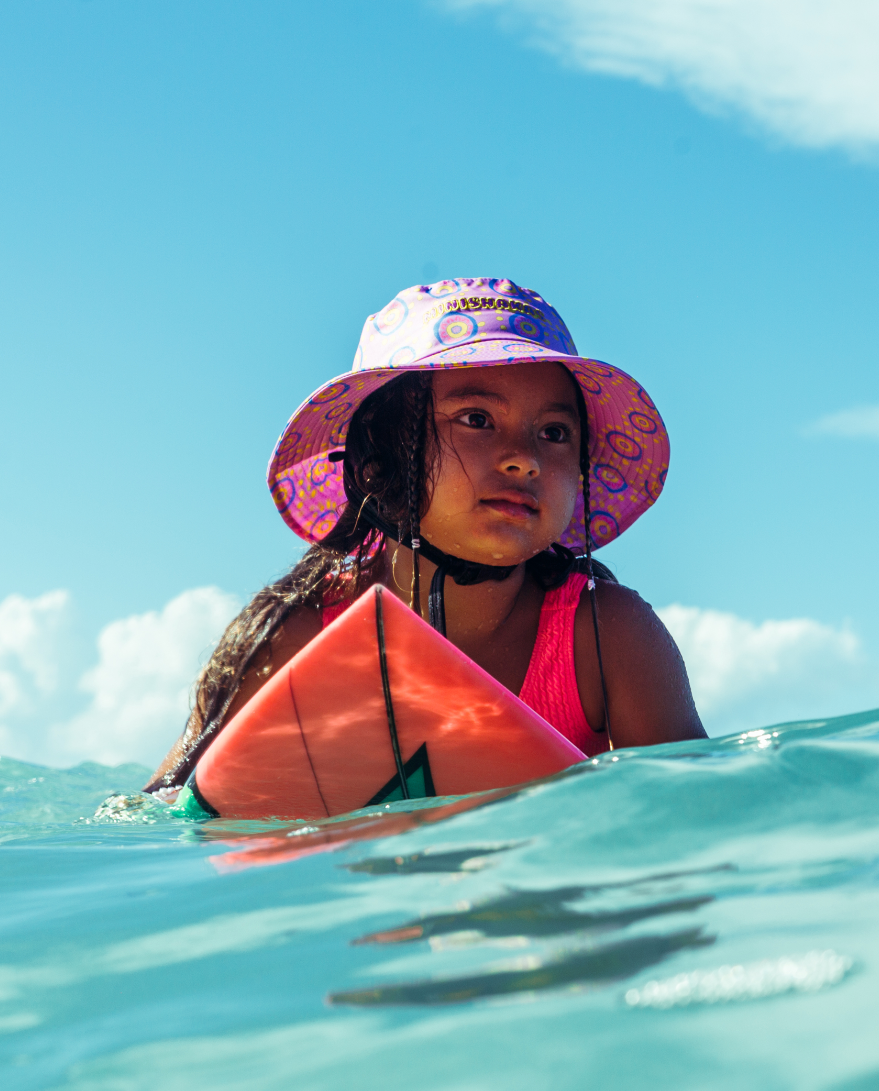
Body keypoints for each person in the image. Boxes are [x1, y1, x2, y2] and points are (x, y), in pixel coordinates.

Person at [145, 278, 705, 800]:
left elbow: (694, 819)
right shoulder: (300, 637)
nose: (524, 460)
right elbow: (161, 817)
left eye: (554, 433)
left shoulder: (607, 640)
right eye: (476, 419)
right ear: (378, 460)